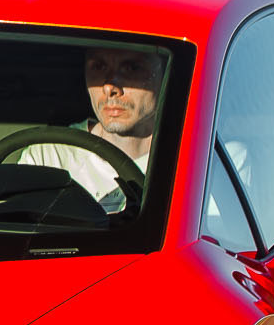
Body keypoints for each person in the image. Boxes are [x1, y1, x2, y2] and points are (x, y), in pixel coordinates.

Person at [15, 43, 168, 214]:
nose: (110, 87)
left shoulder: (191, 163)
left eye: (132, 67)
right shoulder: (49, 157)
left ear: (165, 74)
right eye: (99, 66)